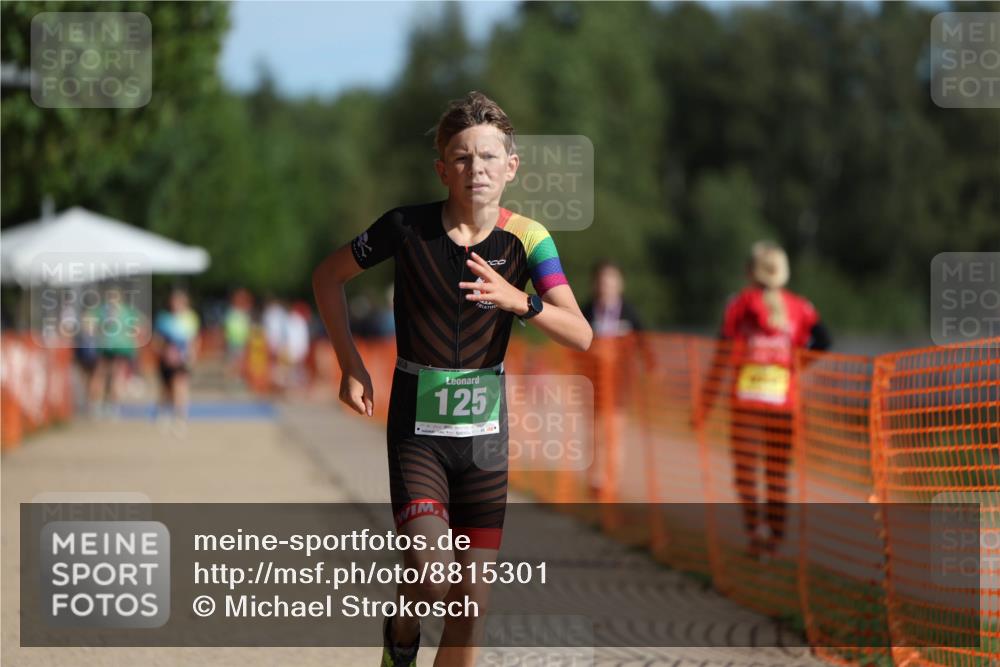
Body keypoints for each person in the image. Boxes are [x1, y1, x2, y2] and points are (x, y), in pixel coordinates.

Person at [313, 91, 592, 667]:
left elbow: (581, 333)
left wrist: (522, 301)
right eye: (462, 158)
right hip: (418, 432)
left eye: (489, 157)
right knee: (434, 580)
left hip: (486, 442)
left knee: (471, 611)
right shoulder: (406, 228)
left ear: (511, 167)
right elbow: (327, 277)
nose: (477, 170)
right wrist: (349, 363)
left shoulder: (530, 239)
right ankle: (403, 632)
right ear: (442, 168)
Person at [695, 241, 831, 560]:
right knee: (776, 474)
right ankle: (775, 538)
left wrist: (704, 406)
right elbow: (824, 340)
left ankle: (756, 533)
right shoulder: (801, 307)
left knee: (746, 473)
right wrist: (797, 363)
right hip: (783, 406)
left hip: (746, 405)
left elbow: (721, 355)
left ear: (749, 272)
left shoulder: (739, 305)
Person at [153, 289, 200, 433]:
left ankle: (180, 416)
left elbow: (195, 339)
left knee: (181, 385)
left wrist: (192, 355)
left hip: (182, 359)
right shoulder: (163, 319)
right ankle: (162, 413)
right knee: (166, 389)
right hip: (166, 360)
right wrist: (164, 353)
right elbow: (157, 340)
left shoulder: (191, 318)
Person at [581, 260, 643, 338]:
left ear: (620, 283)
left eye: (611, 278)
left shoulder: (631, 313)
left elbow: (643, 341)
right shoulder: (584, 313)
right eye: (601, 280)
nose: (605, 285)